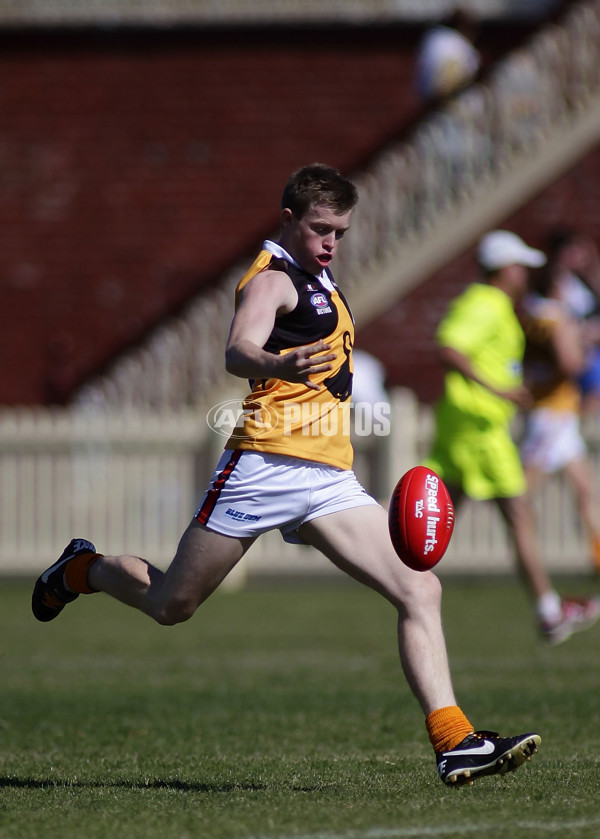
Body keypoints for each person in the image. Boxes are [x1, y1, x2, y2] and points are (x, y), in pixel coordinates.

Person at [32, 165, 540, 787]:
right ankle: (81, 568)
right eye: (320, 228)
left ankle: (454, 741)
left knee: (419, 590)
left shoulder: (320, 276)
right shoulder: (272, 280)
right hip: (263, 466)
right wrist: (279, 360)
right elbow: (236, 349)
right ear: (289, 221)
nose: (331, 241)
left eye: (340, 232)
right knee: (172, 605)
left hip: (327, 477)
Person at [425, 229, 600, 645]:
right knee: (518, 513)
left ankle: (383, 563)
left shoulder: (498, 304)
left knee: (436, 517)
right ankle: (549, 611)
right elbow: (448, 348)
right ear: (504, 269)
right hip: (479, 430)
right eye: (519, 265)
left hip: (474, 426)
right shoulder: (484, 304)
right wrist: (499, 389)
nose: (524, 273)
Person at [521, 262, 600, 575]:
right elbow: (570, 364)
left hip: (555, 412)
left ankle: (597, 556)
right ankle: (524, 548)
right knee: (520, 495)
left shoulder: (533, 316)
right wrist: (586, 347)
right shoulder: (558, 319)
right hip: (553, 414)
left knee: (585, 489)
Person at [545, 229, 600, 417]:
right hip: (575, 342)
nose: (578, 255)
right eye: (573, 250)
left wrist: (592, 259)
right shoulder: (557, 281)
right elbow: (558, 313)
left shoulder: (584, 279)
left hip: (590, 346)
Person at [414, 7, 481, 104]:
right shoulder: (461, 46)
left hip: (425, 100)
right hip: (448, 101)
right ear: (464, 26)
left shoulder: (432, 39)